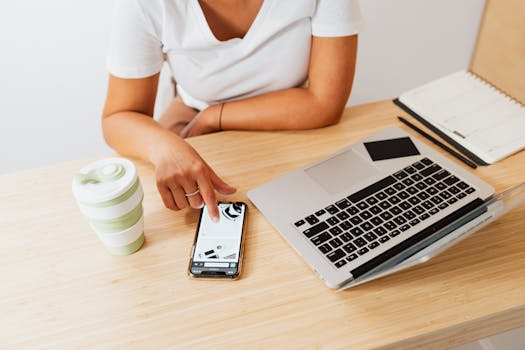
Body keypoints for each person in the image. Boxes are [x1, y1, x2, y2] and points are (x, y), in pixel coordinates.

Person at [102, 0, 362, 222]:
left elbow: (324, 103)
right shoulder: (143, 5)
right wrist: (163, 147)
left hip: (292, 116)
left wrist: (215, 116)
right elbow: (118, 118)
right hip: (192, 119)